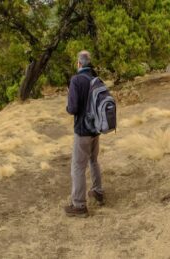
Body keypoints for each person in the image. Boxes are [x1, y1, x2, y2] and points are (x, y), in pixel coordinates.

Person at [63, 50, 105, 217]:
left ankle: (79, 205)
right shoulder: (95, 78)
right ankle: (98, 192)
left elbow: (73, 108)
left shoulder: (76, 80)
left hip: (82, 130)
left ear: (79, 63)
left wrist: (67, 105)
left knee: (78, 166)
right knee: (93, 160)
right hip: (96, 129)